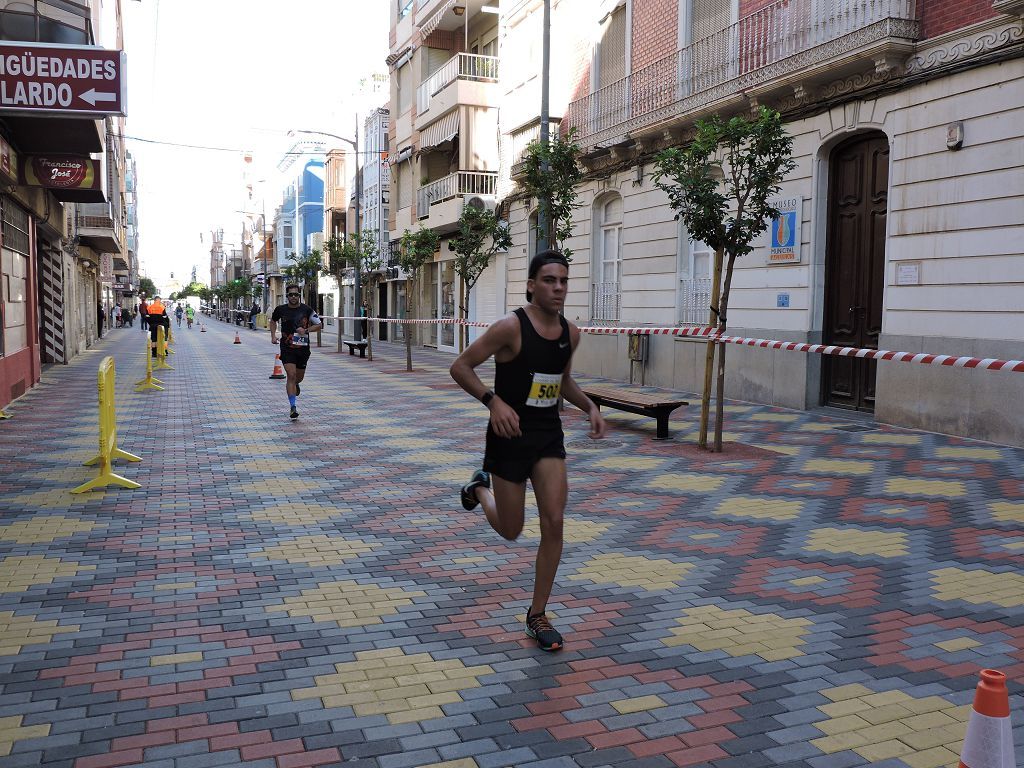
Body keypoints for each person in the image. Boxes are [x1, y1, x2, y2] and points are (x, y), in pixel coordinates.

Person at [450, 250, 608, 652]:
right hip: (509, 435)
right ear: (531, 284)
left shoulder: (571, 333)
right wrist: (493, 401)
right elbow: (461, 366)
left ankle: (537, 614)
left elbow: (563, 380)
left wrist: (589, 406)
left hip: (547, 436)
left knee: (554, 521)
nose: (558, 288)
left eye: (563, 281)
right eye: (550, 280)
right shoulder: (510, 327)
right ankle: (478, 490)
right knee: (511, 529)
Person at [269, 285, 322, 420]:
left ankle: (296, 384)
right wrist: (273, 336)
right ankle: (293, 407)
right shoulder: (280, 310)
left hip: (303, 349)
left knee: (298, 378)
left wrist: (306, 330)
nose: (293, 297)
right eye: (291, 295)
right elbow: (273, 321)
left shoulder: (307, 310)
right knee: (291, 375)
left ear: (299, 296)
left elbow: (319, 325)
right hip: (287, 348)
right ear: (287, 296)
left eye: (296, 295)